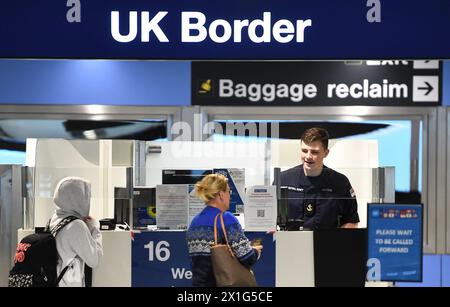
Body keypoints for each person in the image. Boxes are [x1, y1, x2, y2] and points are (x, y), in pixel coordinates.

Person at [186, 173, 262, 287]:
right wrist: (256, 251)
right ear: (221, 194)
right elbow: (247, 257)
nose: (229, 196)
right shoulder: (226, 218)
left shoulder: (194, 222)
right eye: (228, 192)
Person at [280, 127, 360, 230]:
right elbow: (269, 220)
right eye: (304, 151)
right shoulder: (283, 180)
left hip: (327, 244)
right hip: (290, 244)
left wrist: (338, 242)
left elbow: (351, 221)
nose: (308, 156)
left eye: (314, 152)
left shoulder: (340, 182)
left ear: (326, 153)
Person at [49, 177, 103, 287]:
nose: (88, 200)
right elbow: (94, 260)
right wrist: (94, 228)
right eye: (86, 196)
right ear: (76, 198)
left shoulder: (55, 218)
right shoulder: (76, 225)